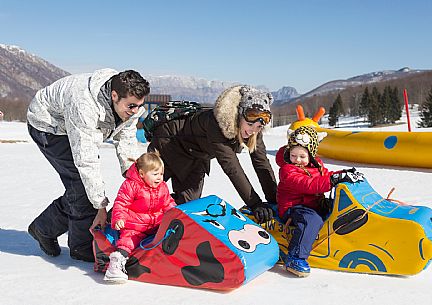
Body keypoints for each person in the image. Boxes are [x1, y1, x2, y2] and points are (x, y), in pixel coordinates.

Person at [27, 69, 150, 262]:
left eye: (139, 106)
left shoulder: (128, 101)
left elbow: (126, 135)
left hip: (72, 126)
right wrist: (100, 205)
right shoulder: (83, 104)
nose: (136, 111)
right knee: (82, 186)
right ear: (114, 96)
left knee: (82, 190)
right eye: (132, 106)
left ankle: (42, 228)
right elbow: (86, 158)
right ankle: (80, 247)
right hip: (48, 126)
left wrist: (133, 174)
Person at [147, 85, 277, 223]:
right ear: (240, 114)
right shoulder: (217, 123)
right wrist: (255, 203)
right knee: (148, 192)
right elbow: (231, 167)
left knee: (187, 204)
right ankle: (132, 226)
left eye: (258, 127)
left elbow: (261, 162)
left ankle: (162, 226)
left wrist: (274, 200)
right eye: (250, 125)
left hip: (196, 155)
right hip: (169, 143)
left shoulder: (254, 130)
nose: (252, 131)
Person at [276, 126, 356, 277]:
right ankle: (295, 257)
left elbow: (325, 176)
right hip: (294, 208)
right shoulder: (287, 170)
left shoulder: (317, 165)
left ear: (311, 155)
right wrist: (332, 180)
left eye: (302, 156)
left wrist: (344, 174)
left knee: (336, 207)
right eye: (293, 155)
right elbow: (308, 184)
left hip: (313, 204)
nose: (297, 160)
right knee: (311, 220)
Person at [104, 151, 176, 283]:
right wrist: (119, 218)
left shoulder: (162, 187)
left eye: (161, 174)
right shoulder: (131, 185)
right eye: (155, 174)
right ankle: (116, 263)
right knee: (128, 241)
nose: (159, 178)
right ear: (142, 174)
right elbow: (121, 203)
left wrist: (177, 215)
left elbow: (168, 203)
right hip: (135, 226)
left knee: (171, 234)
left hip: (156, 225)